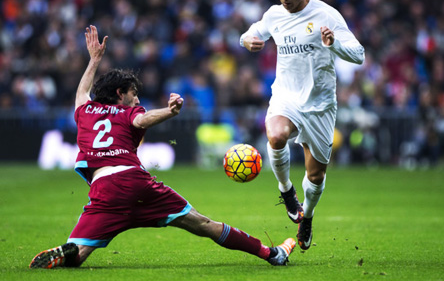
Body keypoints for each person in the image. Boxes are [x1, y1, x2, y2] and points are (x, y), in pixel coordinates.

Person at [29, 25, 296, 269]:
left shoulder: (86, 112)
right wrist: (170, 111)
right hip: (134, 182)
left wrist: (94, 60)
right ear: (121, 94)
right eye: (133, 93)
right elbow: (141, 119)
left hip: (104, 193)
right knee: (203, 224)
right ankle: (272, 254)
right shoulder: (127, 113)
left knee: (78, 254)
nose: (137, 98)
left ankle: (68, 251)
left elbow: (80, 95)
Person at [240, 0, 364, 250]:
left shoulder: (326, 15)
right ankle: (286, 191)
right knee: (276, 135)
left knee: (316, 176)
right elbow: (249, 33)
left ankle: (307, 216)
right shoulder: (274, 15)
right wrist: (247, 41)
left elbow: (358, 54)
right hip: (286, 96)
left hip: (320, 105)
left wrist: (334, 44)